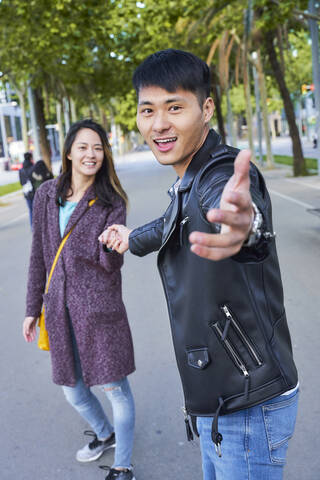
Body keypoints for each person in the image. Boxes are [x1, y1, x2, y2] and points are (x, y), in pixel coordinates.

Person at [100, 49, 298, 480]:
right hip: (218, 400)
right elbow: (175, 221)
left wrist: (246, 227)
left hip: (247, 404)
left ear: (206, 108)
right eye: (147, 110)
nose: (158, 124)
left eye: (175, 107)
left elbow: (236, 213)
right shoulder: (190, 178)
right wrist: (130, 238)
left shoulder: (220, 173)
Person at [22, 119, 136, 480]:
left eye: (98, 148)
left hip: (99, 311)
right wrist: (31, 310)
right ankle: (106, 434)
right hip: (57, 311)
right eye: (84, 147)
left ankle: (123, 466)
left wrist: (114, 246)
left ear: (105, 155)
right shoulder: (45, 196)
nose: (91, 154)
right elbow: (40, 255)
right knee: (72, 390)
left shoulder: (109, 202)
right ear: (69, 151)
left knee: (115, 389)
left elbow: (109, 265)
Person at [19, 152, 35, 227]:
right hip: (34, 191)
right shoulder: (33, 167)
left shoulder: (21, 170)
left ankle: (32, 227)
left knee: (31, 210)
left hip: (26, 192)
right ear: (30, 158)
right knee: (37, 209)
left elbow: (21, 182)